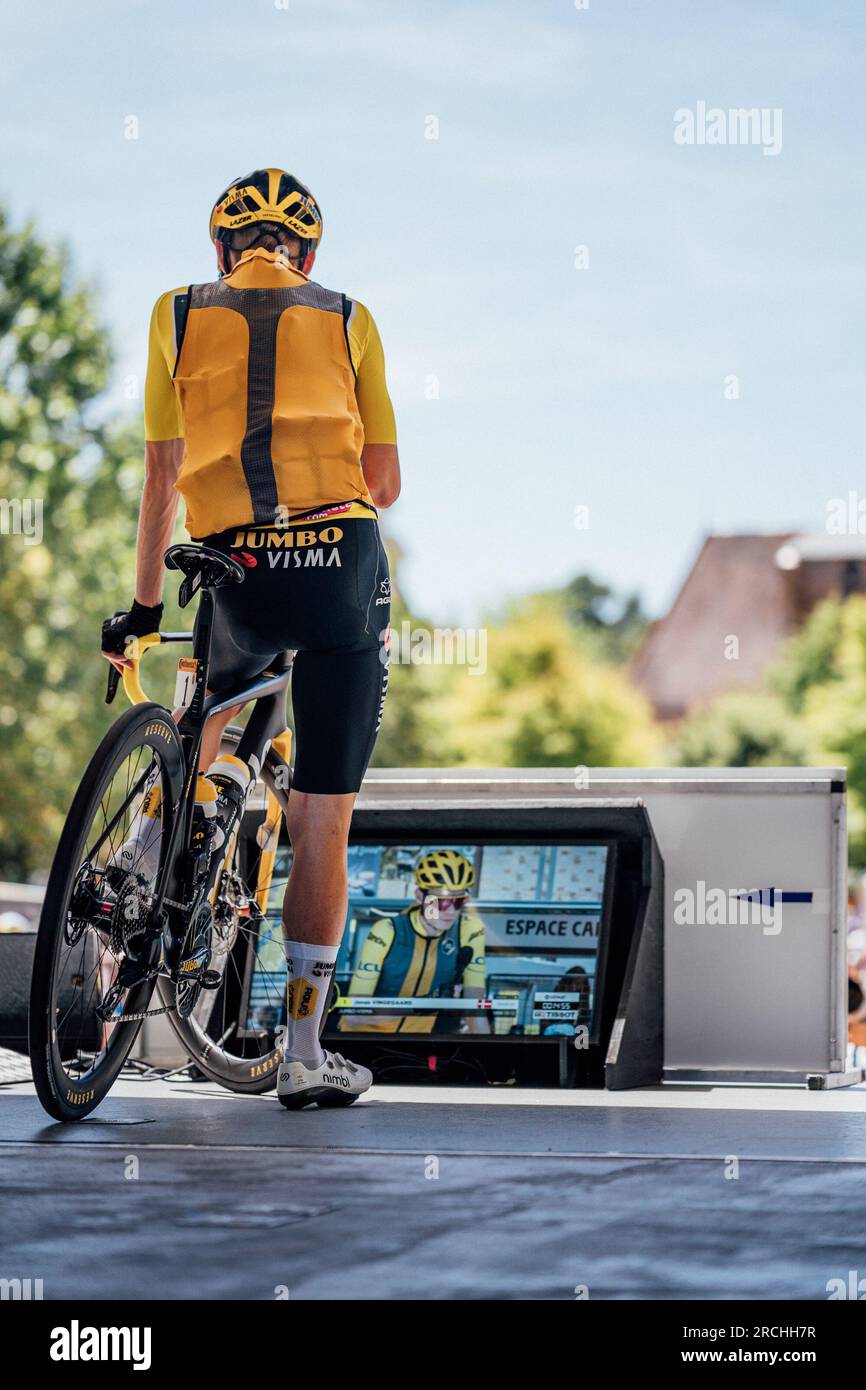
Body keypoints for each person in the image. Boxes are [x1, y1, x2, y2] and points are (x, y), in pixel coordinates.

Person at [101, 168, 400, 1108]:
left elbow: (162, 472)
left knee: (208, 724)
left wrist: (144, 613)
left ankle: (145, 860)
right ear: (308, 254)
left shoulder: (174, 312)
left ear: (220, 251)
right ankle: (305, 1051)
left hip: (232, 571)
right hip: (337, 565)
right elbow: (384, 482)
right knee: (321, 816)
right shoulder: (350, 316)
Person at [339, 850, 489, 1034]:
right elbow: (354, 1014)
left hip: (416, 1044)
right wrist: (423, 1004)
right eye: (440, 902)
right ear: (419, 896)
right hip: (364, 1038)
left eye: (459, 901)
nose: (450, 911)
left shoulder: (468, 929)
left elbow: (475, 1009)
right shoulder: (387, 930)